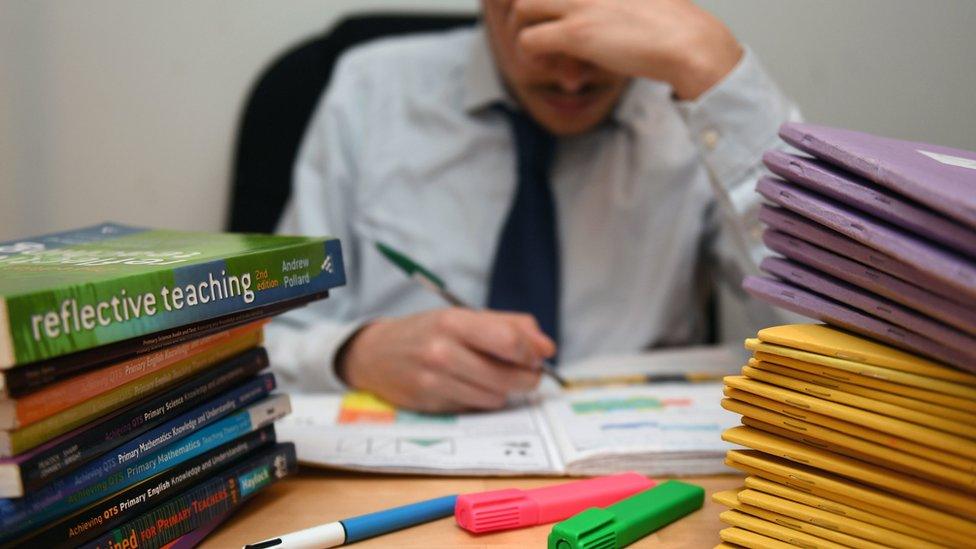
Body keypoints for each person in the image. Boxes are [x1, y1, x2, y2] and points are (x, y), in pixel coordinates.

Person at [269, 0, 799, 412]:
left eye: (593, 23)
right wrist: (354, 355)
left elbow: (831, 342)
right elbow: (262, 345)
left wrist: (719, 76)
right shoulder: (370, 92)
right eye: (535, 25)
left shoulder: (700, 112)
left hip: (642, 476)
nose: (571, 79)